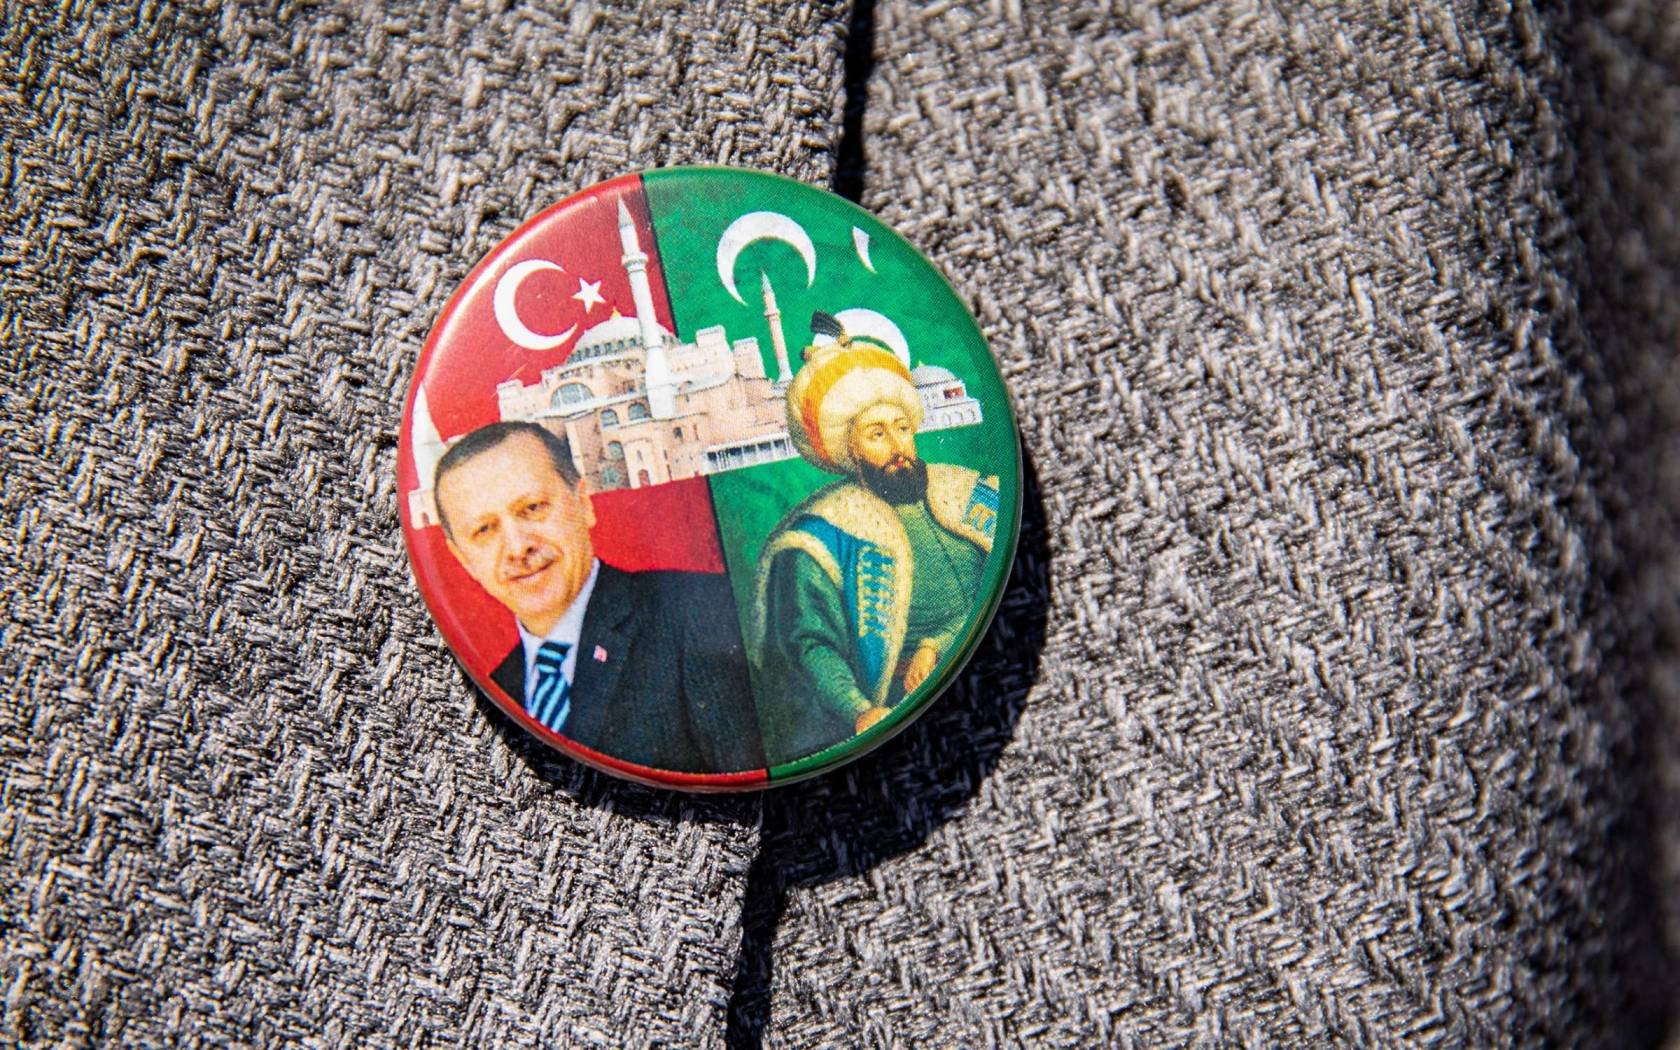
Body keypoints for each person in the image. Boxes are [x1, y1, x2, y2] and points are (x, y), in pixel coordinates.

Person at [433, 421, 765, 774]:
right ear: (463, 559)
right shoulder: (495, 693)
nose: (517, 547)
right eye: (484, 530)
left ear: (583, 503)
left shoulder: (695, 610)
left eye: (532, 508)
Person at [749, 321, 999, 766]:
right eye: (877, 435)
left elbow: (999, 575)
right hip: (908, 715)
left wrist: (936, 644)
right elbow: (809, 643)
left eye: (902, 428)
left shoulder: (965, 489)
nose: (899, 446)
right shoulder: (824, 534)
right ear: (851, 449)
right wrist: (859, 710)